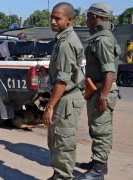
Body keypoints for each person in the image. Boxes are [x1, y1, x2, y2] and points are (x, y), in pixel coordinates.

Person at [76, 3, 120, 180]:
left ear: (95, 17)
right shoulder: (102, 37)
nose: (87, 20)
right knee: (98, 129)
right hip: (98, 90)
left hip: (102, 90)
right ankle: (98, 163)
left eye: (88, 16)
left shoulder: (102, 40)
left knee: (101, 131)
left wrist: (103, 96)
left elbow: (109, 71)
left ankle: (98, 171)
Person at [43, 2, 85, 179]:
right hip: (64, 97)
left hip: (65, 99)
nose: (53, 21)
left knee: (63, 143)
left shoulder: (66, 43)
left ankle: (62, 177)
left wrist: (50, 106)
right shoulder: (62, 39)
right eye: (52, 17)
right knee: (57, 142)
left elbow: (63, 80)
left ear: (69, 20)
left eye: (57, 18)